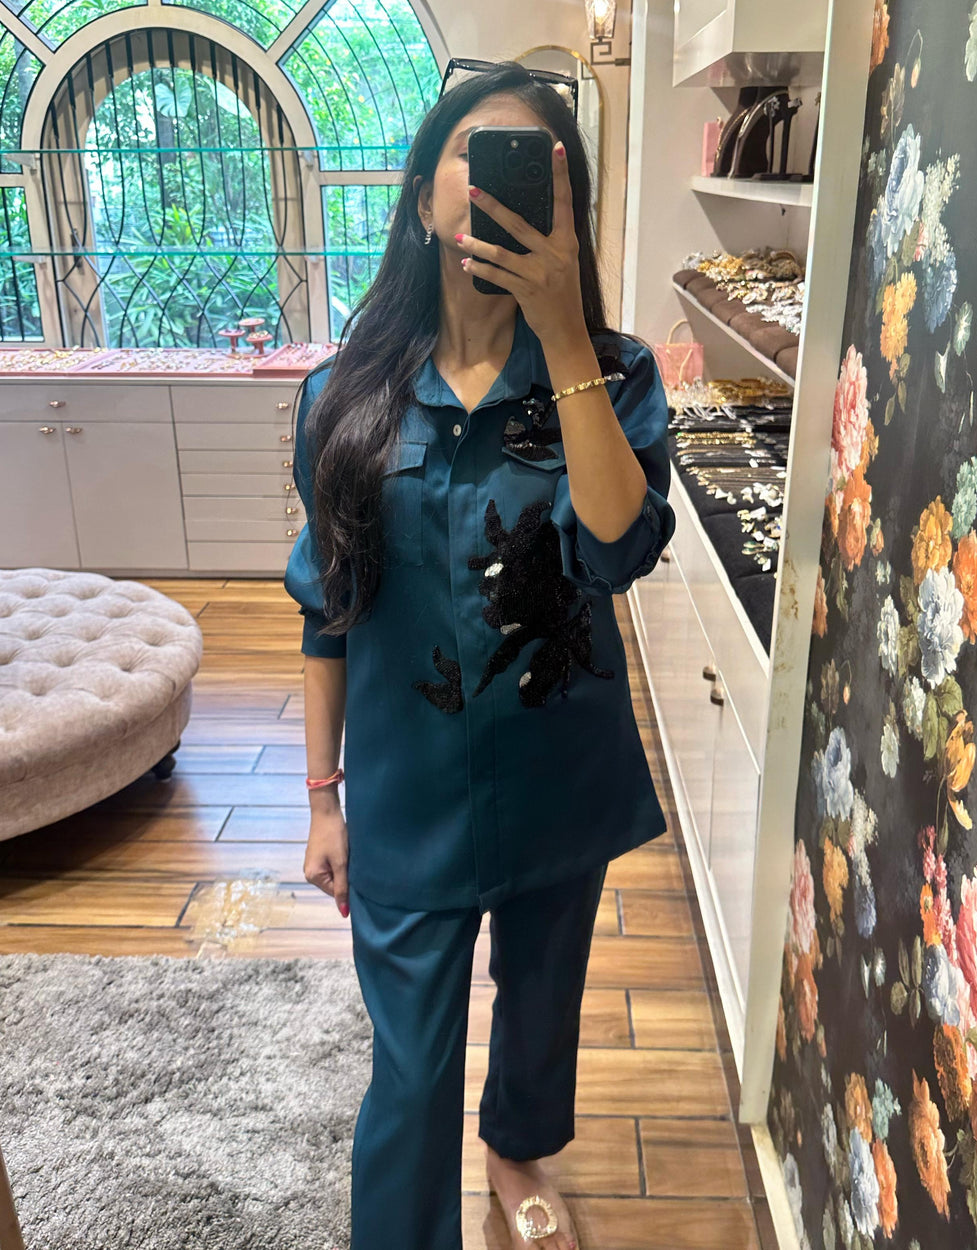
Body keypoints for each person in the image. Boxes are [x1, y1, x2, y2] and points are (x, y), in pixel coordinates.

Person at [284, 59, 675, 1250]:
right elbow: (328, 606)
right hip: (406, 794)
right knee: (408, 1074)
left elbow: (615, 547)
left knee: (541, 1004)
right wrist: (322, 797)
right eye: (473, 153)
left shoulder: (615, 375)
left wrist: (560, 334)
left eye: (537, 168)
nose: (497, 182)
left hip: (560, 769)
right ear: (422, 197)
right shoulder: (342, 395)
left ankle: (515, 1146)